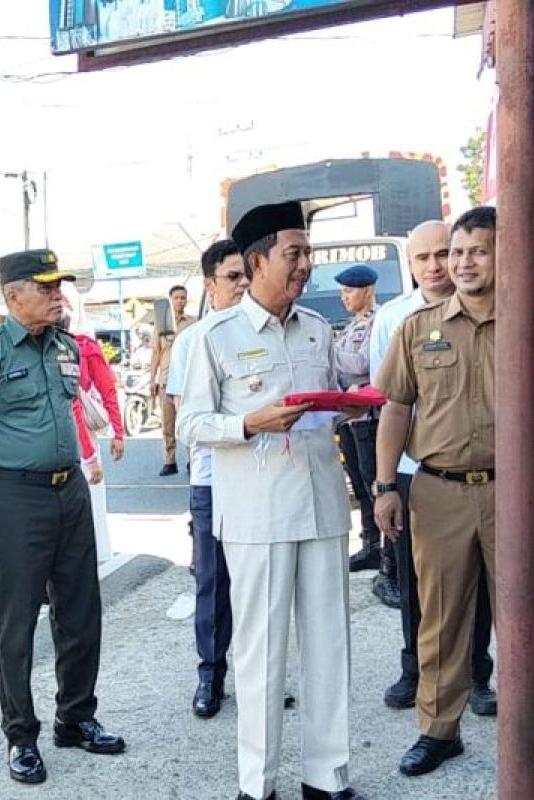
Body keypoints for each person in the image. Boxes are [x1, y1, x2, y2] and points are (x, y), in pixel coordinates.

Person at [374, 206, 534, 785]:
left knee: (525, 621)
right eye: (456, 251)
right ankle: (439, 732)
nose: (462, 262)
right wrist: (385, 485)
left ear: (504, 256)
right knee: (440, 620)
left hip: (514, 493)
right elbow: (395, 408)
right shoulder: (418, 328)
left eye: (477, 251)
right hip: (437, 493)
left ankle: (528, 740)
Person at [178, 202, 363, 800]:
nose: (307, 265)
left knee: (330, 643)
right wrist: (249, 423)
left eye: (307, 253)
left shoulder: (315, 327)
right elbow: (191, 425)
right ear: (258, 260)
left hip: (323, 506)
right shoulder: (214, 336)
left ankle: (325, 778)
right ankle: (258, 787)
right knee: (261, 654)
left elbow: (330, 395)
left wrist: (351, 404)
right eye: (295, 253)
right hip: (257, 514)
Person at [0, 249, 125, 786]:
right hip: (14, 497)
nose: (57, 295)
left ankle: (76, 717)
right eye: (45, 287)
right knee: (16, 622)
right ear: (13, 295)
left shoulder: (66, 347)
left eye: (59, 287)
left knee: (81, 610)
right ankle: (21, 736)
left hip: (68, 490)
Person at [368, 220, 497, 715]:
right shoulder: (394, 320)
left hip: (478, 472)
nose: (436, 266)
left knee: (480, 581)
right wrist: (383, 485)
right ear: (411, 266)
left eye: (444, 254)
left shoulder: (495, 311)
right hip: (412, 470)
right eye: (423, 258)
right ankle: (414, 670)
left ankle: (477, 674)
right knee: (418, 582)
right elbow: (390, 403)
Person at [166, 239, 250, 720]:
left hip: (261, 479)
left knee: (259, 584)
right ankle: (210, 675)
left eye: (246, 276)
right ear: (210, 284)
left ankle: (259, 673)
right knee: (214, 583)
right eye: (232, 277)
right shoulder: (192, 341)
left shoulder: (265, 331)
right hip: (213, 481)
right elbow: (184, 416)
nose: (241, 285)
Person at [59, 281, 125, 562]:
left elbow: (103, 391)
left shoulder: (84, 347)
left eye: (63, 303)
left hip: (77, 439)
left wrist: (114, 436)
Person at [332, 265, 387, 589]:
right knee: (357, 481)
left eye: (349, 292)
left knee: (373, 483)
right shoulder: (352, 325)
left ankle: (386, 551)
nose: (344, 298)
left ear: (366, 290)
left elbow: (364, 363)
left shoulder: (376, 323)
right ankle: (370, 544)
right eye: (342, 292)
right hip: (349, 416)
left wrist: (332, 355)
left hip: (369, 416)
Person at [150, 284, 195, 475]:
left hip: (187, 381)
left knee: (188, 421)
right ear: (170, 300)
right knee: (168, 424)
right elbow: (155, 353)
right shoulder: (161, 324)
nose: (180, 301)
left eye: (183, 297)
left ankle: (192, 461)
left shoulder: (193, 323)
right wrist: (152, 379)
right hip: (166, 380)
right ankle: (170, 461)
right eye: (176, 297)